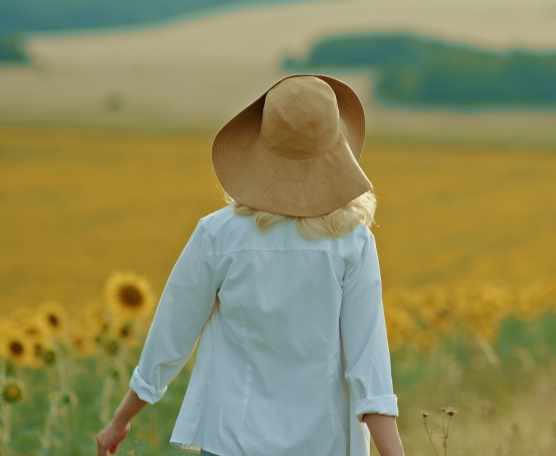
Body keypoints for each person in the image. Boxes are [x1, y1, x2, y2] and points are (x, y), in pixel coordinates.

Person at [95, 74, 404, 456]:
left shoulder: (217, 235)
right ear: (337, 148)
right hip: (323, 444)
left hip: (230, 441)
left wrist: (120, 421)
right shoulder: (353, 244)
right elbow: (369, 373)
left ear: (259, 143)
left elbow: (170, 338)